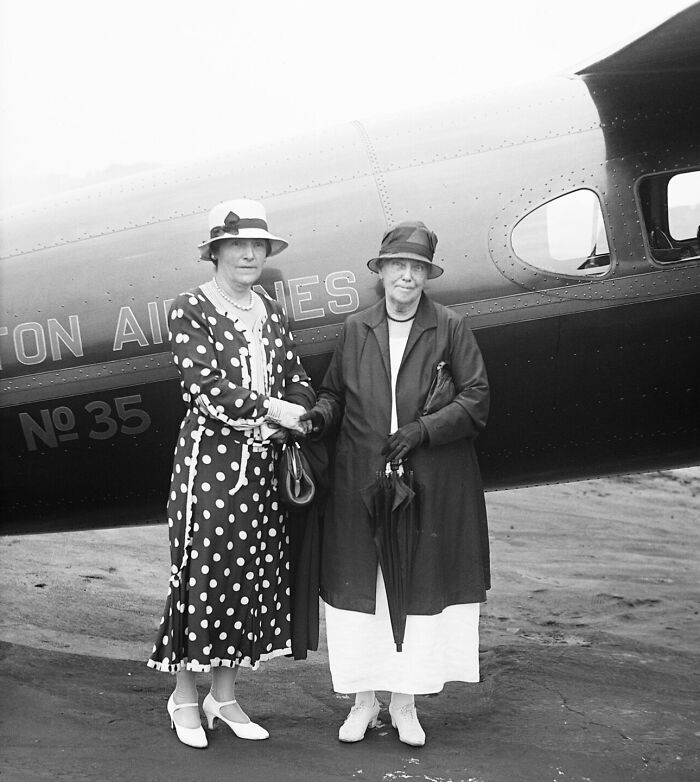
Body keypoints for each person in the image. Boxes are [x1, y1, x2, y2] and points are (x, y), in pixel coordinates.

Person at [300, 221, 490, 747]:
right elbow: (334, 393)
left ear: (427, 276)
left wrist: (422, 430)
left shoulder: (451, 327)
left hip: (425, 481)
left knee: (414, 589)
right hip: (360, 479)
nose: (406, 276)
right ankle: (364, 703)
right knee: (364, 591)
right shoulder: (356, 328)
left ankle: (405, 705)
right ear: (381, 272)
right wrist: (317, 416)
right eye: (397, 266)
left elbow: (476, 401)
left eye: (416, 268)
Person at [148, 198, 315, 748]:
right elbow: (205, 390)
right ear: (215, 251)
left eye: (258, 246)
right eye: (237, 245)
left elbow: (297, 378)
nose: (249, 254)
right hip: (210, 469)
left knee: (245, 578)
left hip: (264, 466)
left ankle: (225, 696)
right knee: (203, 577)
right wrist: (274, 411)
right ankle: (184, 698)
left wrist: (299, 411)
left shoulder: (272, 310)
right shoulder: (190, 308)